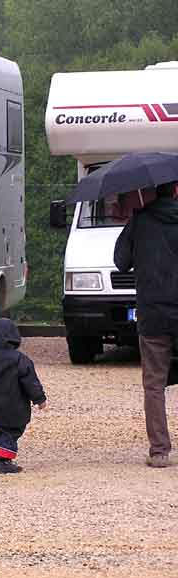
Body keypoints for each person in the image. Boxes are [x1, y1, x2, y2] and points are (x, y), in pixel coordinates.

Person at [114, 181, 178, 468]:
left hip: (152, 313)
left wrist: (131, 229)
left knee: (154, 384)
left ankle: (160, 451)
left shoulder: (140, 221)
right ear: (176, 191)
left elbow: (120, 262)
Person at [0, 318, 47, 474]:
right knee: (11, 430)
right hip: (13, 405)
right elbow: (31, 382)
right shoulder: (20, 360)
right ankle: (4, 460)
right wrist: (40, 399)